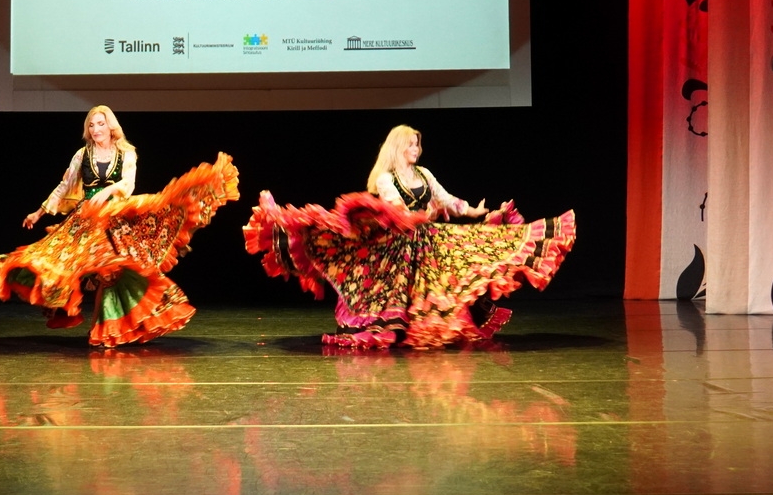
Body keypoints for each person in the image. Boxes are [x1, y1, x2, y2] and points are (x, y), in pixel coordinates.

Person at [244, 125, 575, 348]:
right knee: (399, 291)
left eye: (418, 143)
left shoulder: (424, 174)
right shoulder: (386, 178)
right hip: (399, 244)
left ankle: (433, 329)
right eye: (412, 144)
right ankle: (399, 330)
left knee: (450, 275)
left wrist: (475, 211)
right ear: (399, 147)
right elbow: (396, 209)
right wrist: (422, 214)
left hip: (427, 239)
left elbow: (446, 199)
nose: (416, 148)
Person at [0, 106, 239, 347]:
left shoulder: (126, 153)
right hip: (85, 219)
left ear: (111, 127)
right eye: (91, 125)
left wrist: (108, 191)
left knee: (114, 272)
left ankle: (108, 330)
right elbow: (64, 186)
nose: (95, 129)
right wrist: (39, 212)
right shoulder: (82, 155)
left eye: (100, 124)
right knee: (53, 259)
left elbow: (128, 184)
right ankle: (16, 281)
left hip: (114, 218)